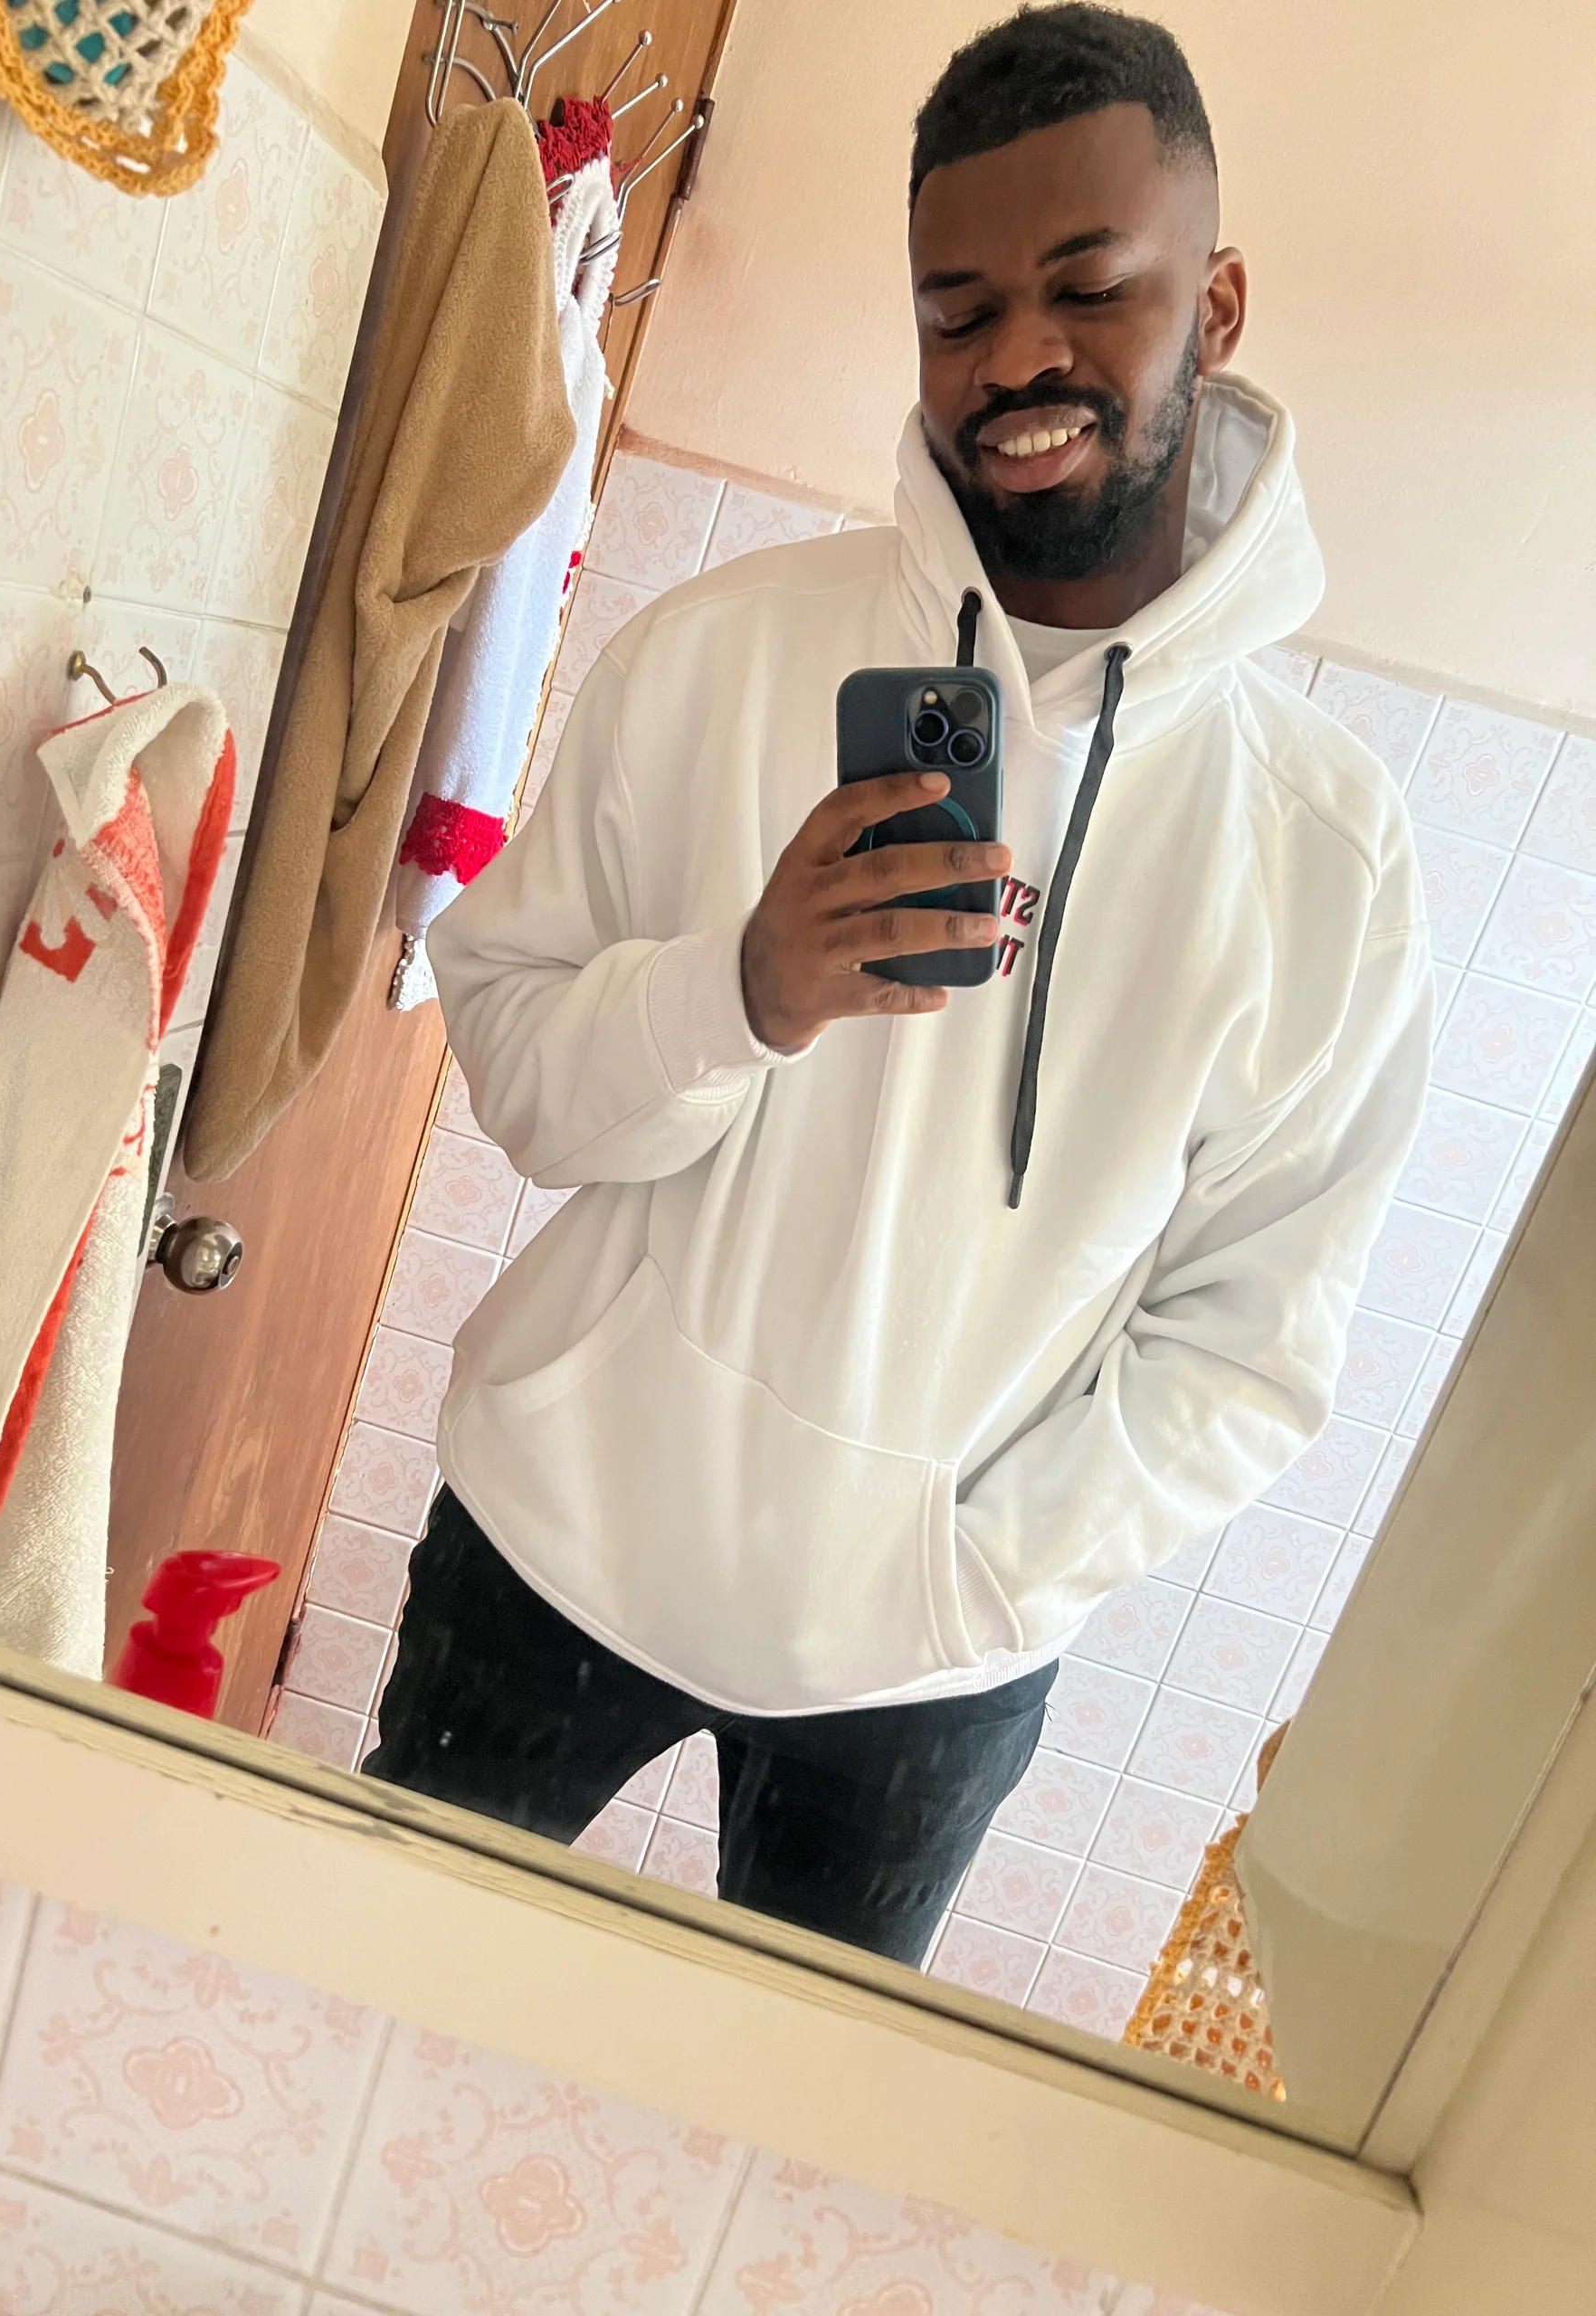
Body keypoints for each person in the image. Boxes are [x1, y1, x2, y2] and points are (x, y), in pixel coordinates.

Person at [365, 4, 1431, 1969]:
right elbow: (515, 1070)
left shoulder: (1325, 855)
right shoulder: (712, 656)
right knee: (362, 1985)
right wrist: (739, 991)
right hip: (562, 1535)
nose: (1016, 359)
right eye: (959, 310)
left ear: (1216, 301)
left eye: (1087, 289)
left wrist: (972, 1573)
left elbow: (1252, 1339)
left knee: (766, 2130)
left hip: (925, 1674)